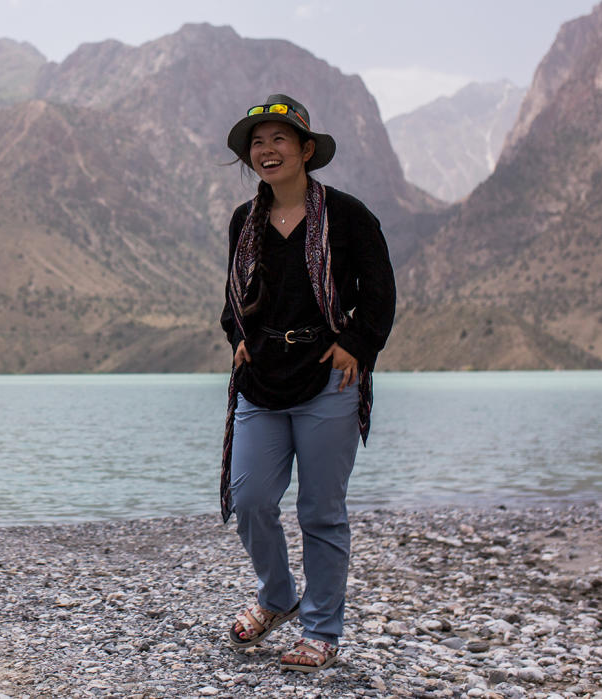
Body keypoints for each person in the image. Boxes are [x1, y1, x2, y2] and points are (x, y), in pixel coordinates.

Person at [218, 94, 395, 672]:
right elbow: (234, 295)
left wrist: (357, 345)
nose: (267, 151)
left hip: (328, 381)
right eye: (257, 143)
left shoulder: (347, 215)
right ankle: (276, 596)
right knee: (249, 500)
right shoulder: (245, 222)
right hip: (261, 380)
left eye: (279, 140)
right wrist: (236, 337)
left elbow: (380, 292)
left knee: (321, 511)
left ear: (306, 149)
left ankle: (320, 629)